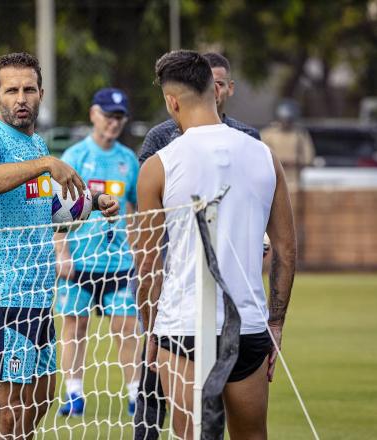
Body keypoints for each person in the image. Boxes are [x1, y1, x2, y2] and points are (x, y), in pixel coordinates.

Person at [137, 50, 296, 439]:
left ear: (171, 102)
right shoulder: (264, 156)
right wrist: (275, 323)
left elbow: (147, 263)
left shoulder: (158, 165)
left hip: (181, 327)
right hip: (248, 328)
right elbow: (286, 250)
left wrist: (151, 332)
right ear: (215, 90)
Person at [0, 52, 120, 439]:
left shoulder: (34, 144)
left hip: (37, 296)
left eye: (28, 89)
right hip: (1, 296)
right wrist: (45, 164)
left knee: (40, 398)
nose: (21, 98)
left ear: (41, 93)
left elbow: (49, 211)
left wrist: (95, 204)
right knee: (7, 409)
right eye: (11, 90)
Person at [54, 88, 142, 417]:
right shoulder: (75, 156)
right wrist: (61, 251)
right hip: (79, 262)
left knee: (126, 327)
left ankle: (136, 394)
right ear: (93, 114)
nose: (114, 123)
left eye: (119, 117)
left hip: (118, 262)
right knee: (75, 327)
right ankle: (74, 394)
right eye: (108, 115)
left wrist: (137, 252)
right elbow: (58, 208)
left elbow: (135, 209)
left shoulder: (128, 160)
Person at [139, 52, 259, 166]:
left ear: (229, 88)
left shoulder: (248, 137)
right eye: (205, 85)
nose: (210, 91)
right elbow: (145, 184)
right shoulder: (159, 136)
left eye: (219, 83)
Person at [260, 100, 315, 193]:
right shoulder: (267, 134)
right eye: (283, 120)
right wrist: (278, 162)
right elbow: (259, 157)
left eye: (289, 121)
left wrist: (295, 162)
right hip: (271, 179)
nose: (286, 123)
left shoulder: (300, 134)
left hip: (294, 181)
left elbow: (309, 157)